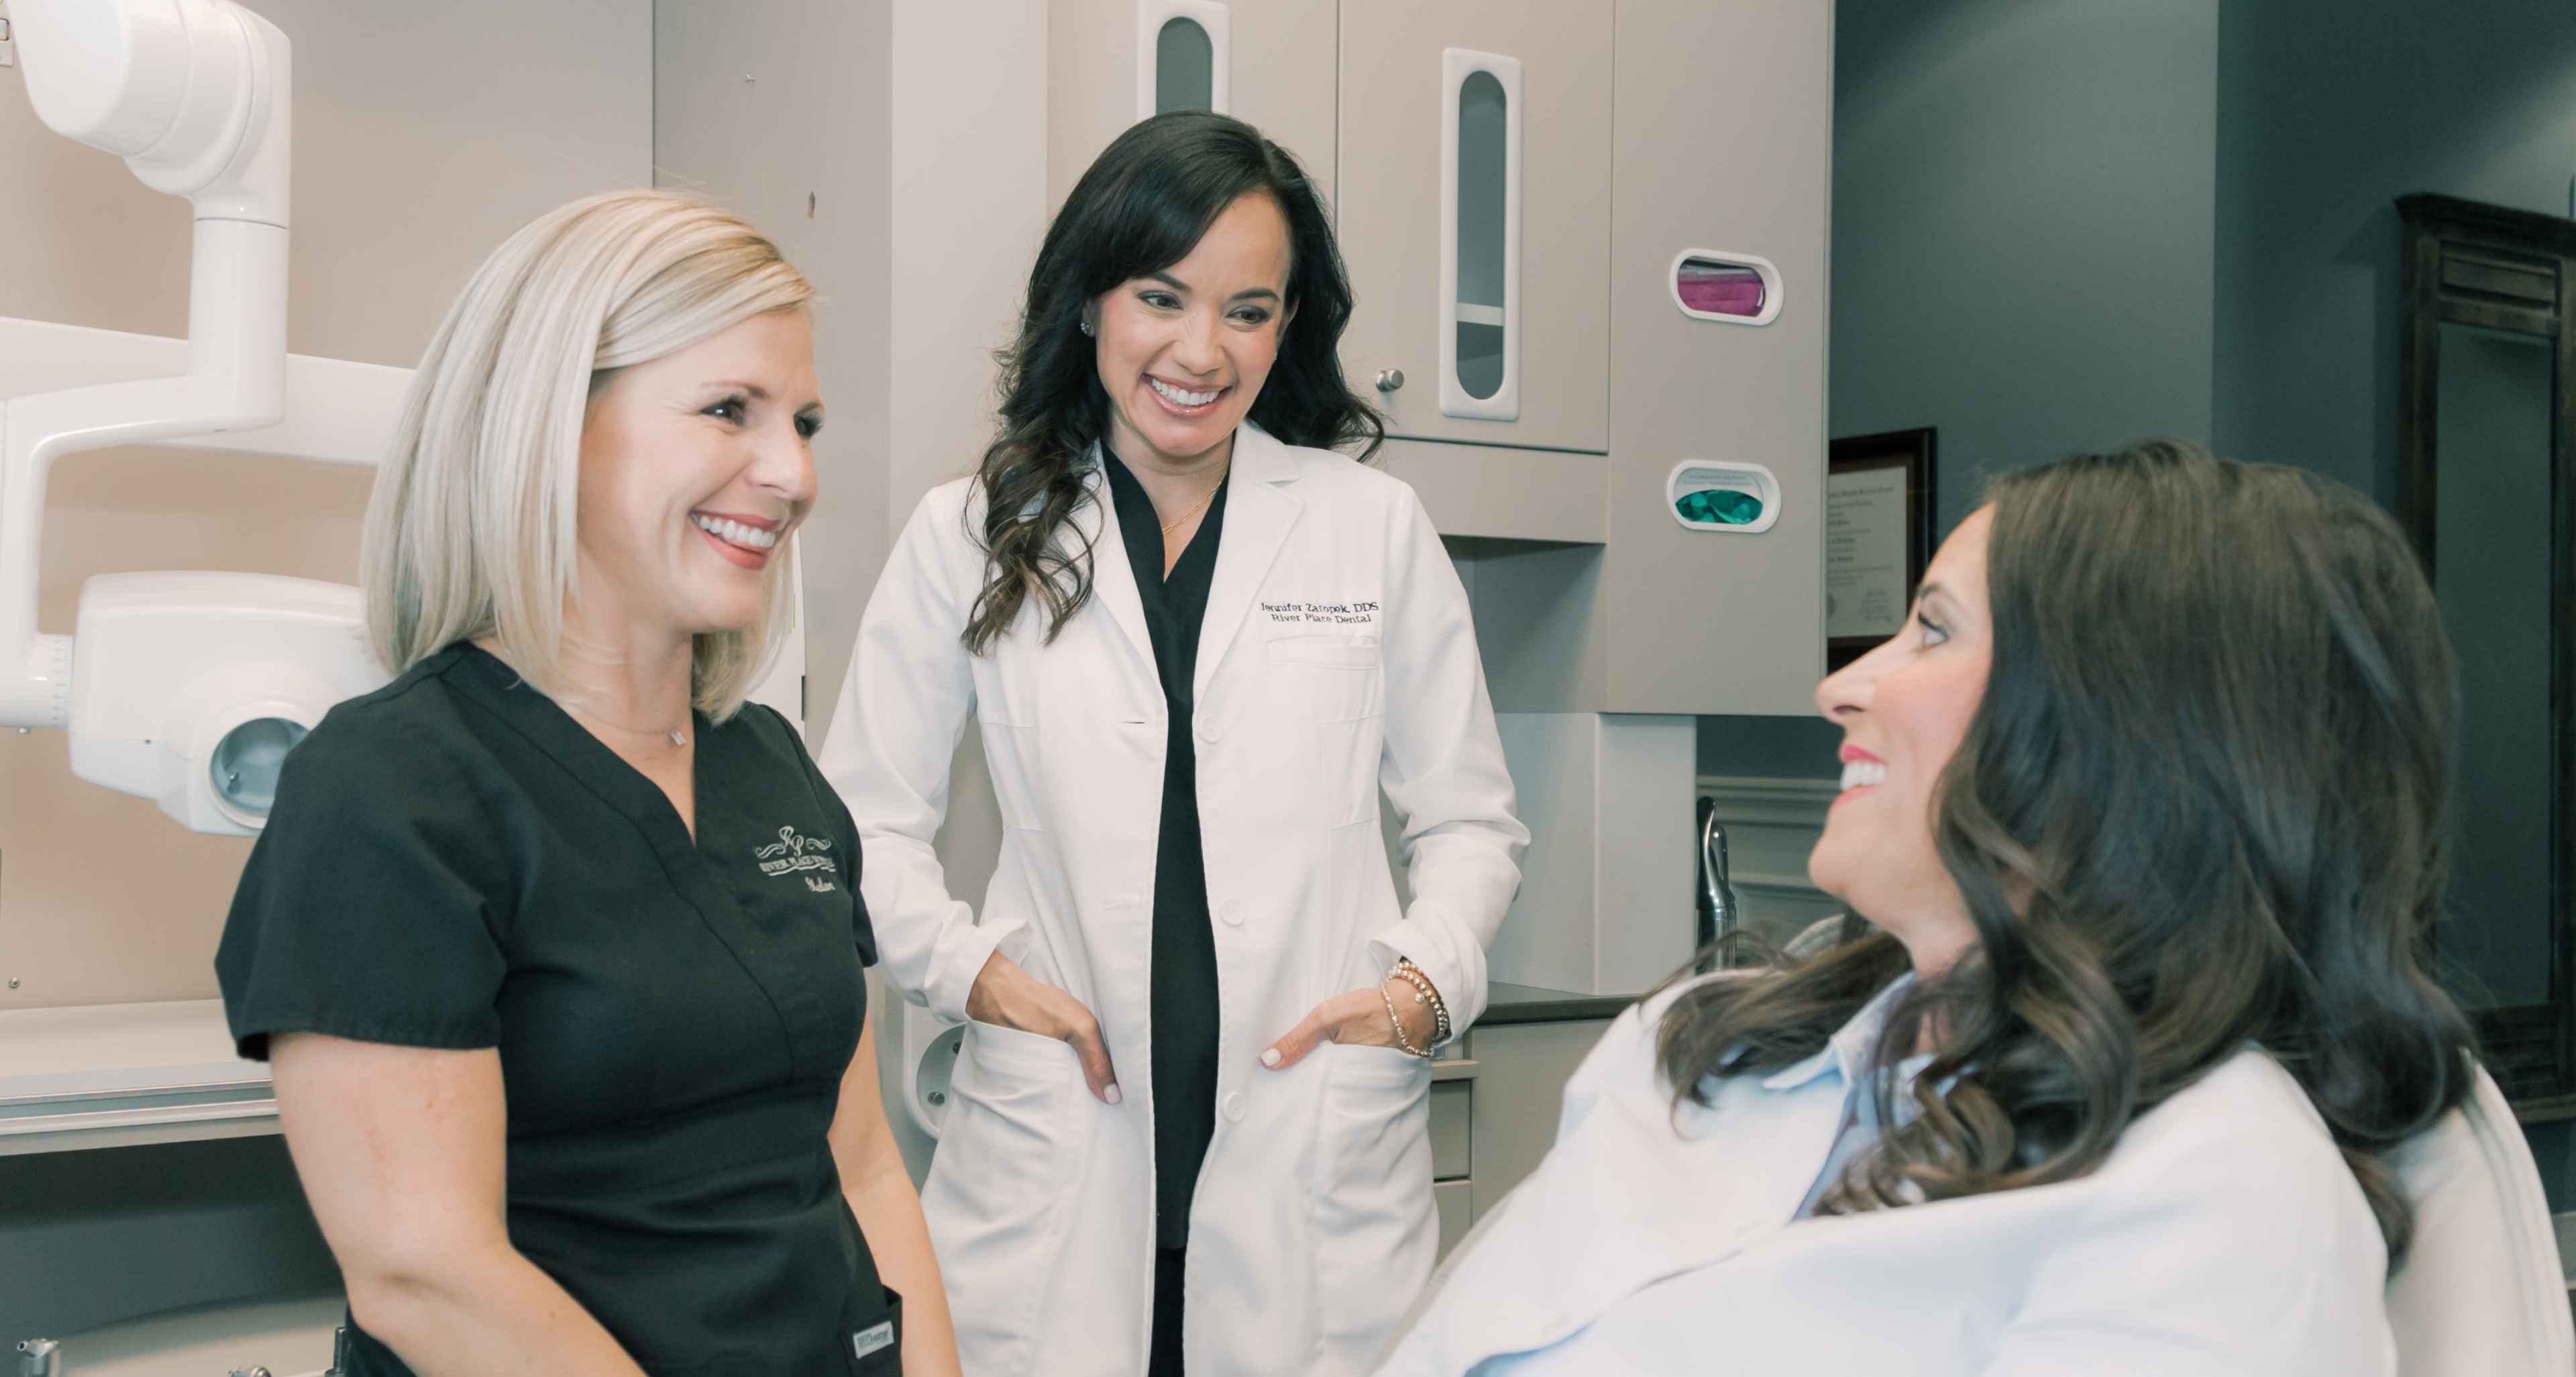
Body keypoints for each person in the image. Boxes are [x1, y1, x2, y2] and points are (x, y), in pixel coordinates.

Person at [1376, 440, 2478, 1376]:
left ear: (2124, 730)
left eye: (1935, 631)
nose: (1841, 686)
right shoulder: (1718, 1042)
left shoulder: (2222, 1196)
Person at [819, 112, 1527, 1377]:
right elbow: (859, 824)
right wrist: (974, 971)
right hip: (1061, 1141)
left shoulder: (1372, 528)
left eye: (1248, 311)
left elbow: (1470, 823)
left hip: (1313, 1137)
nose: (1202, 351)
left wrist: (1425, 984)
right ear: (1091, 302)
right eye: (1162, 296)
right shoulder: (971, 532)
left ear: (1288, 326)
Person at [215, 189, 959, 1377]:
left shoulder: (768, 766)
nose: (793, 471)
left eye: (803, 421)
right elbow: (427, 1274)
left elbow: (861, 1160)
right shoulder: (392, 792)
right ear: (553, 424)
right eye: (730, 410)